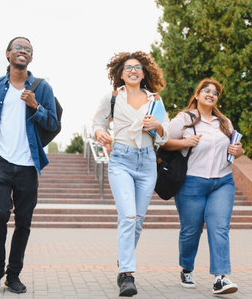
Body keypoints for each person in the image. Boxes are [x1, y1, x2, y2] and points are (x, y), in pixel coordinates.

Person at [0, 37, 58, 294]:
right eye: (18, 48)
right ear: (8, 54)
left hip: (28, 164)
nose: (23, 51)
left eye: (28, 50)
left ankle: (13, 274)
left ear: (31, 58)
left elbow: (53, 124)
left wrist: (36, 106)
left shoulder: (43, 88)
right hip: (0, 159)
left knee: (23, 221)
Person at [92, 51, 169, 297]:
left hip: (147, 162)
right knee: (127, 217)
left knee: (137, 220)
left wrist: (157, 126)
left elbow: (165, 133)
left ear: (144, 72)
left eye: (137, 67)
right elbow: (98, 123)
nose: (133, 71)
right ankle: (127, 274)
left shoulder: (155, 100)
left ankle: (124, 259)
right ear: (120, 73)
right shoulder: (112, 97)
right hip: (121, 161)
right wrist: (99, 133)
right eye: (128, 68)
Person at [162, 78, 243, 295]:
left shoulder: (224, 122)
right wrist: (185, 143)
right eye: (206, 90)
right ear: (197, 95)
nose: (211, 94)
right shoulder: (184, 119)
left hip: (223, 182)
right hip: (192, 182)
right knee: (191, 230)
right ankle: (187, 268)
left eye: (215, 92)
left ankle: (221, 278)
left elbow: (234, 148)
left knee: (219, 228)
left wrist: (239, 152)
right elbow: (163, 142)